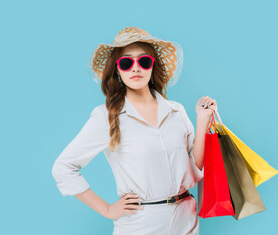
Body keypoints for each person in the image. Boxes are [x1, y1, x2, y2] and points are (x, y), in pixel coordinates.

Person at [52, 27, 217, 234]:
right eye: (127, 62)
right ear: (117, 70)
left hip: (186, 219)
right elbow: (63, 168)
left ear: (152, 66)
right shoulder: (107, 115)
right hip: (141, 224)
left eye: (144, 61)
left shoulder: (176, 111)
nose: (136, 68)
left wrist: (202, 120)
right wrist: (107, 209)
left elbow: (196, 166)